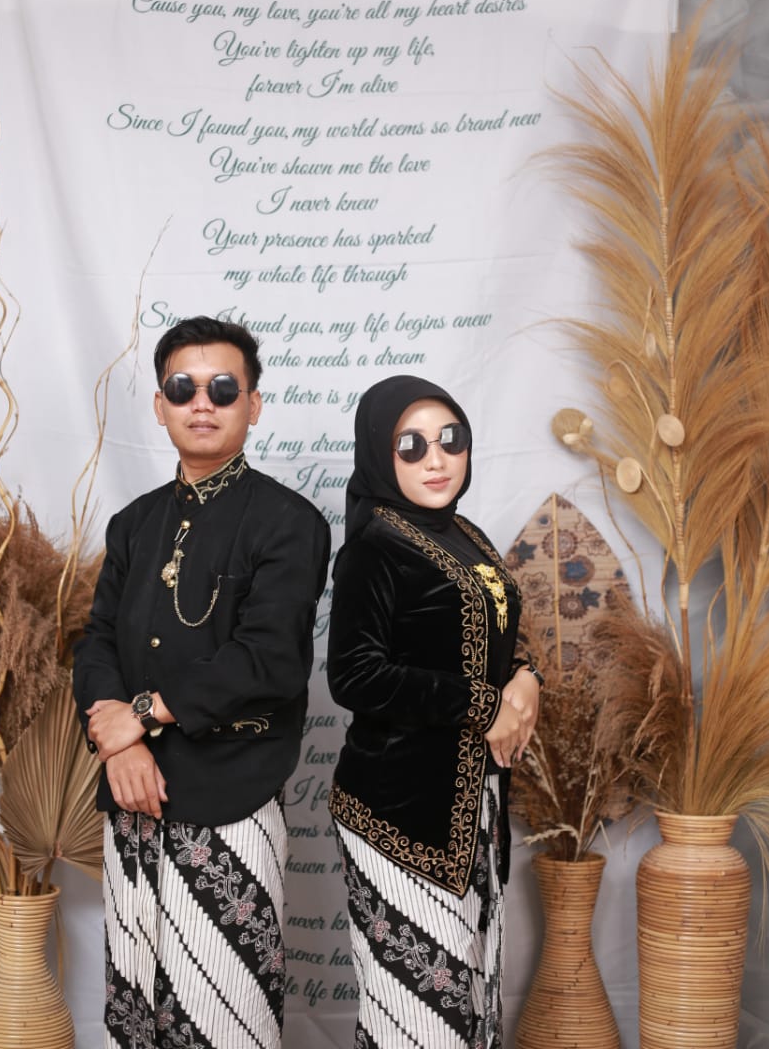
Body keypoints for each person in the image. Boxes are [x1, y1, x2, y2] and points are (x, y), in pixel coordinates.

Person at [72, 315, 331, 1049]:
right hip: (131, 797)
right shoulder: (133, 524)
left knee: (223, 1015)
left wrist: (142, 713)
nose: (202, 403)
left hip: (230, 794)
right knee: (138, 1008)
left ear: (253, 404)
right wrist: (120, 742)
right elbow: (95, 643)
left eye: (222, 388)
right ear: (160, 406)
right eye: (182, 388)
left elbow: (269, 660)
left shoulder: (289, 521)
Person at [326, 375, 542, 1049]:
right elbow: (354, 674)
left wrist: (527, 677)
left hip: (473, 804)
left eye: (450, 439)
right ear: (378, 453)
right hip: (402, 810)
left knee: (471, 1007)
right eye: (410, 445)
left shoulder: (462, 533)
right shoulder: (373, 548)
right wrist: (482, 705)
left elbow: (492, 635)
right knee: (419, 1020)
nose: (436, 459)